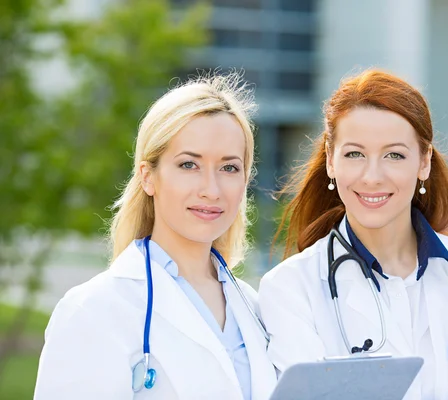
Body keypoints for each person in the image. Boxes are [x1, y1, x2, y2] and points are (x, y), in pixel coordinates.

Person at [259, 69, 448, 400]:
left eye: (394, 155)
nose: (372, 176)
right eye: (355, 154)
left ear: (424, 162)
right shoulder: (291, 289)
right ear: (330, 160)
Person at [34, 73, 277, 399]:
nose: (211, 189)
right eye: (189, 165)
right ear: (149, 177)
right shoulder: (94, 310)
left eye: (229, 168)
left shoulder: (256, 308)